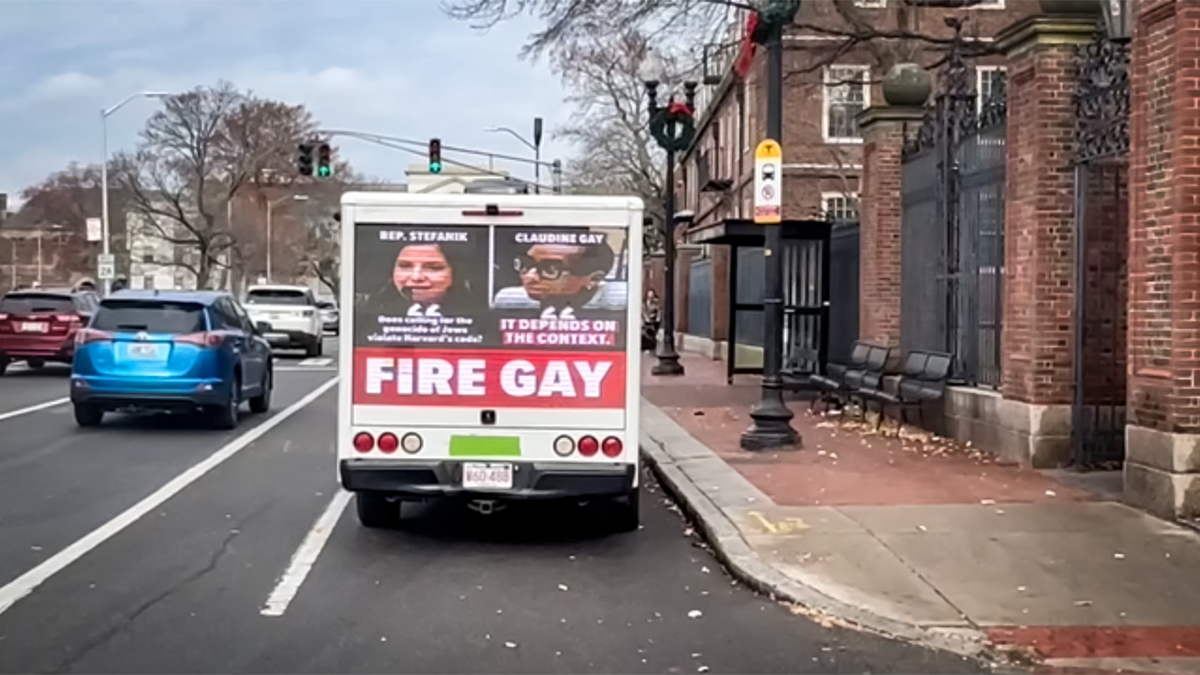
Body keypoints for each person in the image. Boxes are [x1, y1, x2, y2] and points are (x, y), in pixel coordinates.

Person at [493, 240, 625, 320]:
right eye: (525, 264)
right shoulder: (510, 299)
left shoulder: (619, 300)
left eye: (550, 269)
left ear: (593, 279)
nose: (529, 276)